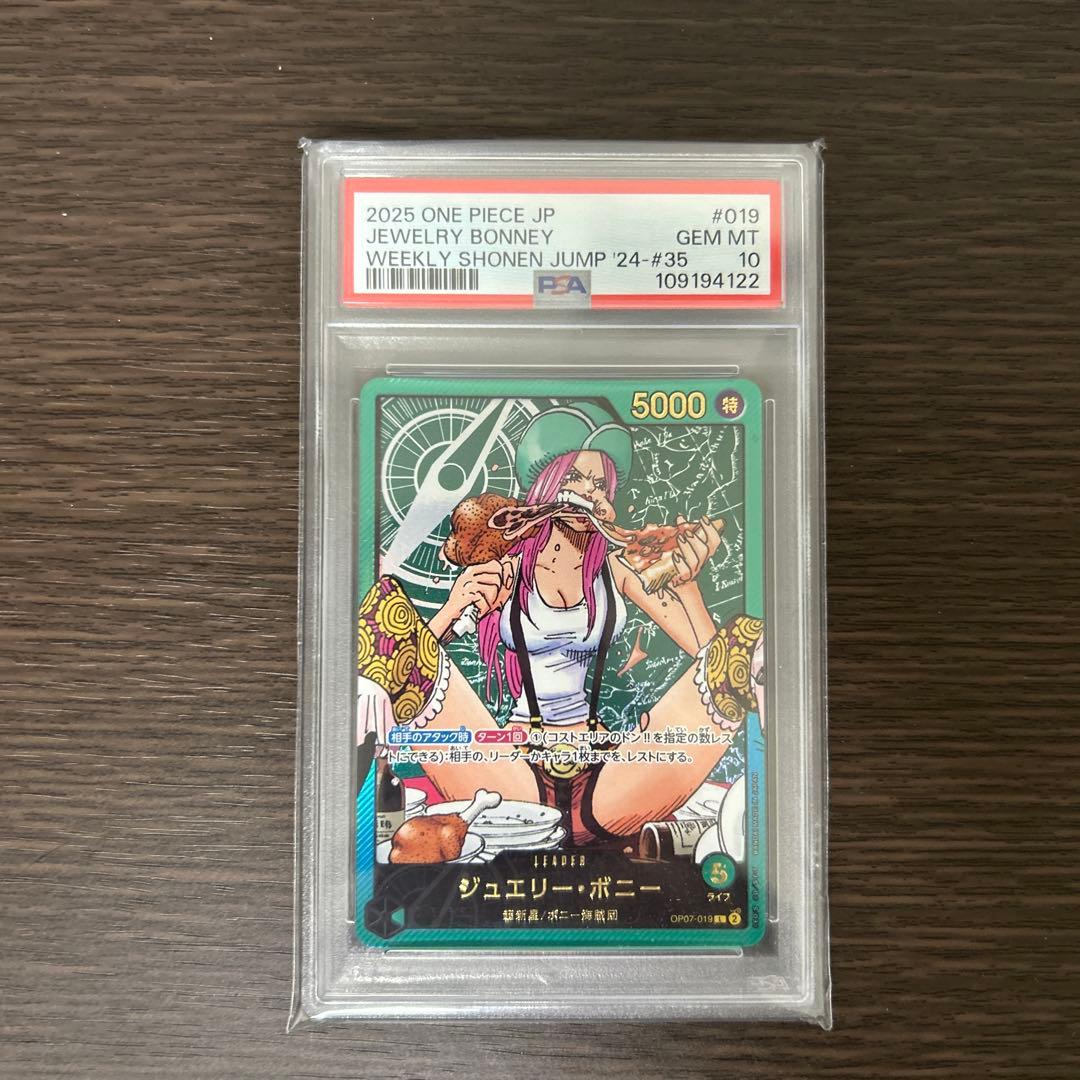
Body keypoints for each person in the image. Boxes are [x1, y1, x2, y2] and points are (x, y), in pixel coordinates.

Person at [358, 402, 763, 846]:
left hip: (610, 777)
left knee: (746, 647)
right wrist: (453, 609)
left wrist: (688, 588)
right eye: (575, 478)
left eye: (600, 485)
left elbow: (716, 663)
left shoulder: (620, 568)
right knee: (388, 622)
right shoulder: (506, 570)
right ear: (546, 485)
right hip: (510, 771)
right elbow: (411, 657)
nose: (589, 493)